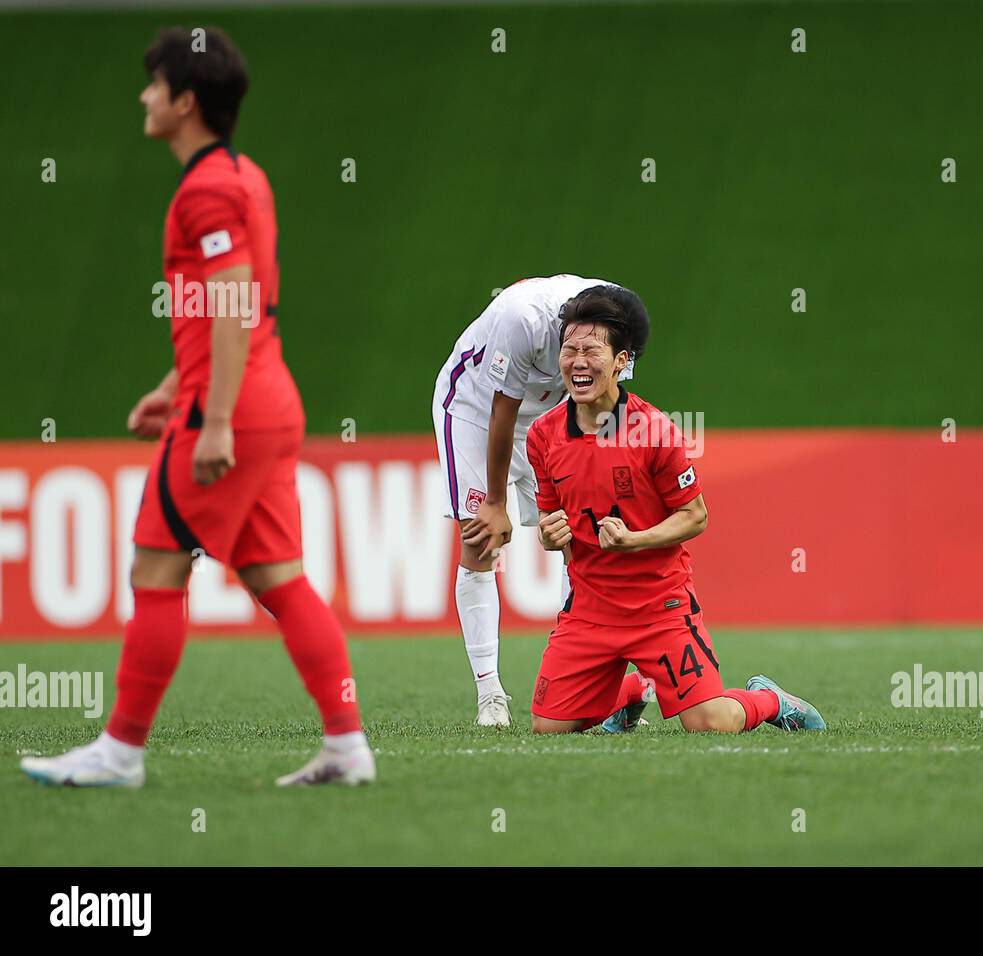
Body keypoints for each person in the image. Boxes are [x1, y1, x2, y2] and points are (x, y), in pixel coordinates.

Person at [21, 26, 373, 788]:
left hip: (235, 411)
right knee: (278, 576)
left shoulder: (206, 189)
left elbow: (232, 300)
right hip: (268, 396)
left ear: (184, 101)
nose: (144, 96)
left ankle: (119, 753)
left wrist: (209, 416)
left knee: (155, 565)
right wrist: (175, 382)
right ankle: (347, 747)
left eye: (153, 85)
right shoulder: (244, 175)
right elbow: (228, 307)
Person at [526, 287, 826, 733]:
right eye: (569, 349)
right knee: (549, 730)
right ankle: (633, 692)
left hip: (659, 605)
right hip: (591, 610)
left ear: (621, 362)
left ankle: (768, 699)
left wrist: (634, 541)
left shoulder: (655, 430)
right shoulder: (543, 436)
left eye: (591, 350)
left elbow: (695, 515)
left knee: (707, 724)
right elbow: (555, 525)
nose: (578, 361)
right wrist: (548, 538)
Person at [432, 276, 651, 726]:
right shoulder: (522, 318)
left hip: (552, 414)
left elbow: (608, 404)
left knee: (582, 541)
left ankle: (597, 692)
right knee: (481, 541)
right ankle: (490, 692)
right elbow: (502, 409)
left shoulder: (618, 322)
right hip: (477, 409)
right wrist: (495, 502)